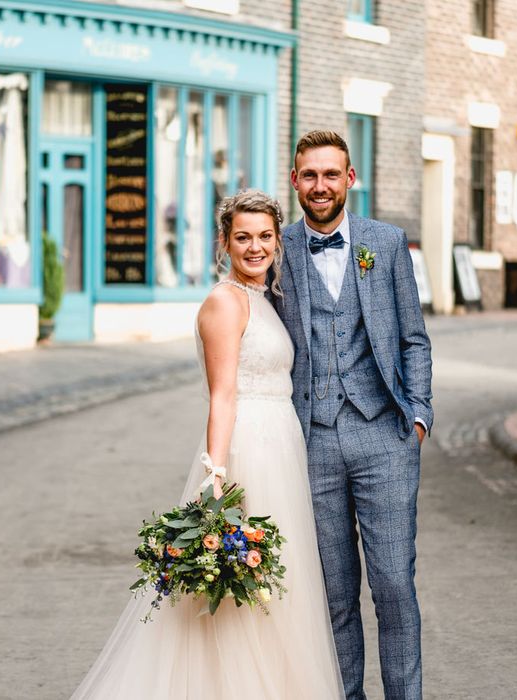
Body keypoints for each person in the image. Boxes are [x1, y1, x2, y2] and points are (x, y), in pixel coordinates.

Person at [70, 189, 344, 699]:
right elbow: (222, 397)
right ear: (224, 242)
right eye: (243, 237)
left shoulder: (261, 298)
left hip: (282, 446)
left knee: (274, 593)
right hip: (250, 452)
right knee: (242, 593)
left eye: (265, 236)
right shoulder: (224, 301)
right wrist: (215, 480)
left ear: (278, 242)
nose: (256, 247)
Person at [273, 130, 433, 700]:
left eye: (330, 174)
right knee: (332, 595)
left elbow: (414, 338)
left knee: (393, 586)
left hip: (384, 436)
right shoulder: (277, 247)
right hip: (309, 441)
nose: (320, 186)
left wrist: (417, 416)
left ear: (350, 179)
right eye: (308, 176)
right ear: (295, 181)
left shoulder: (385, 243)